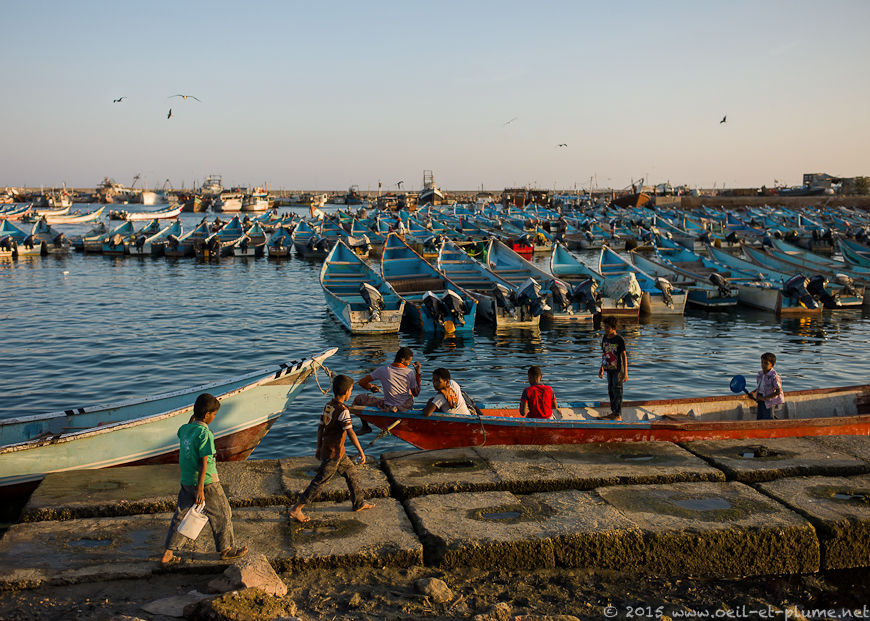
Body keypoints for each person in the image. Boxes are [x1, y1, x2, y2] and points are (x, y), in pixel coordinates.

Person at [160, 394, 247, 566]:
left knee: (181, 516)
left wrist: (194, 418)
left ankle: (168, 553)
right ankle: (226, 550)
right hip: (206, 482)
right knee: (222, 513)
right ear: (207, 414)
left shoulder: (184, 429)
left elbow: (188, 426)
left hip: (186, 480)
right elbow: (203, 462)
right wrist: (201, 489)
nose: (214, 418)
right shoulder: (205, 433)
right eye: (214, 414)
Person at [290, 375, 374, 523]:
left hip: (336, 452)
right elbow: (350, 433)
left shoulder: (329, 405)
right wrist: (361, 451)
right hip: (333, 454)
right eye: (351, 391)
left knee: (351, 473)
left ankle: (358, 503)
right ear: (346, 391)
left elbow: (320, 427)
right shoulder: (343, 410)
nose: (350, 394)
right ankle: (296, 509)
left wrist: (318, 447)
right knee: (319, 482)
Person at [353, 347, 422, 432]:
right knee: (410, 393)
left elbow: (362, 382)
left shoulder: (383, 370)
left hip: (389, 406)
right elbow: (416, 393)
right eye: (409, 361)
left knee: (358, 399)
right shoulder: (410, 372)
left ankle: (365, 427)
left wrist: (371, 387)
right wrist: (418, 373)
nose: (409, 364)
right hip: (406, 406)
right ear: (403, 360)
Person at [598, 316, 627, 420]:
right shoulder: (605, 338)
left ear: (613, 327)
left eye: (607, 327)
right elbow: (604, 354)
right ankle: (613, 412)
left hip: (618, 370)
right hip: (608, 369)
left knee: (617, 391)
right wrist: (601, 368)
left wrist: (626, 373)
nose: (605, 329)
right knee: (610, 390)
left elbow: (624, 356)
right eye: (604, 327)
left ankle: (618, 414)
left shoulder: (619, 339)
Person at [749, 352, 784, 420]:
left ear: (772, 365)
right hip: (760, 398)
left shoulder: (774, 376)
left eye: (766, 363)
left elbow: (778, 391)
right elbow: (761, 387)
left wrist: (764, 398)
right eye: (762, 362)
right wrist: (753, 392)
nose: (763, 365)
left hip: (769, 401)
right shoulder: (761, 374)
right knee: (760, 417)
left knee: (768, 417)